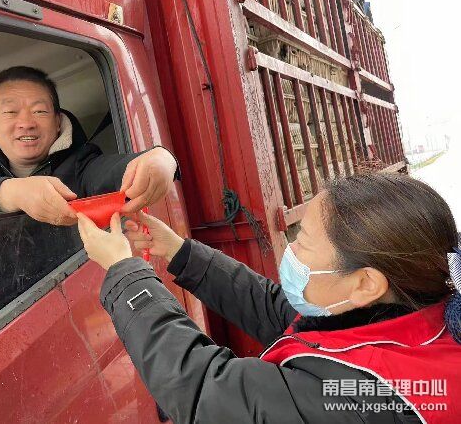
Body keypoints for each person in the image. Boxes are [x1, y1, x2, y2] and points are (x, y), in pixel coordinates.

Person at [77, 172, 461, 423]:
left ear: (365, 283)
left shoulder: (375, 400)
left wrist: (124, 271)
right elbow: (284, 317)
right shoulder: (406, 319)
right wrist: (178, 251)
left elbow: (205, 390)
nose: (290, 250)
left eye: (303, 241)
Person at [0, 65, 179, 223]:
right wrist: (13, 192)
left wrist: (161, 159)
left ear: (58, 121)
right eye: (10, 112)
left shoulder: (81, 162)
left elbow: (113, 170)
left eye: (40, 111)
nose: (26, 123)